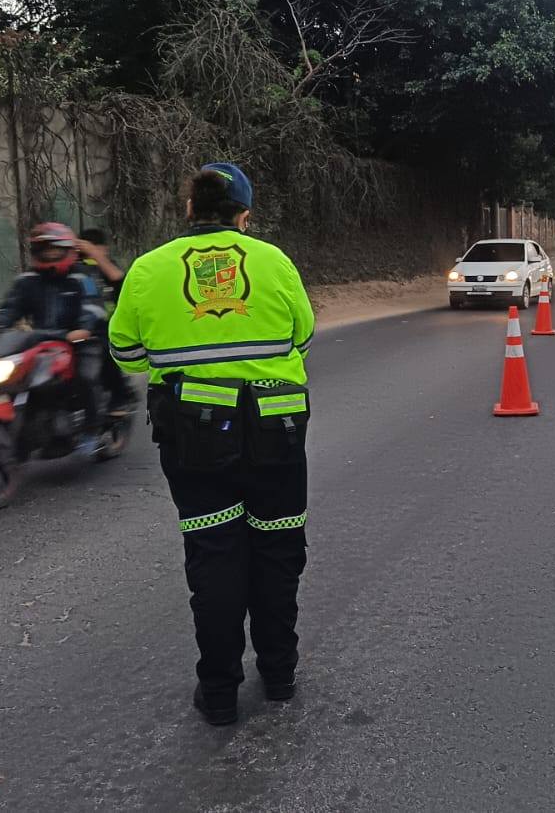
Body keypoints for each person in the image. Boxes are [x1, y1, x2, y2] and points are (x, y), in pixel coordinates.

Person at [108, 162, 316, 727]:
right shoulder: (273, 261)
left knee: (215, 556)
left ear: (189, 211)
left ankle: (220, 693)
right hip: (278, 432)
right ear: (244, 215)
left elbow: (124, 352)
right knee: (277, 551)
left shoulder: (150, 269)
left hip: (196, 437)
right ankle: (279, 676)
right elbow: (302, 334)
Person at [0, 221, 107, 454]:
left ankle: (91, 431)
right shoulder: (27, 280)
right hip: (41, 341)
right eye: (44, 249)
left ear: (68, 250)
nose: (49, 254)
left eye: (54, 249)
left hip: (79, 341)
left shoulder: (82, 277)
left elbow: (93, 306)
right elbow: (10, 308)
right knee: (16, 375)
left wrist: (84, 328)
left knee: (86, 377)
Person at [76, 227, 137, 411]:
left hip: (108, 325)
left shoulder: (106, 265)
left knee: (105, 350)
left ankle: (120, 397)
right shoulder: (76, 268)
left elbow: (118, 278)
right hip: (78, 326)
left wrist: (95, 255)